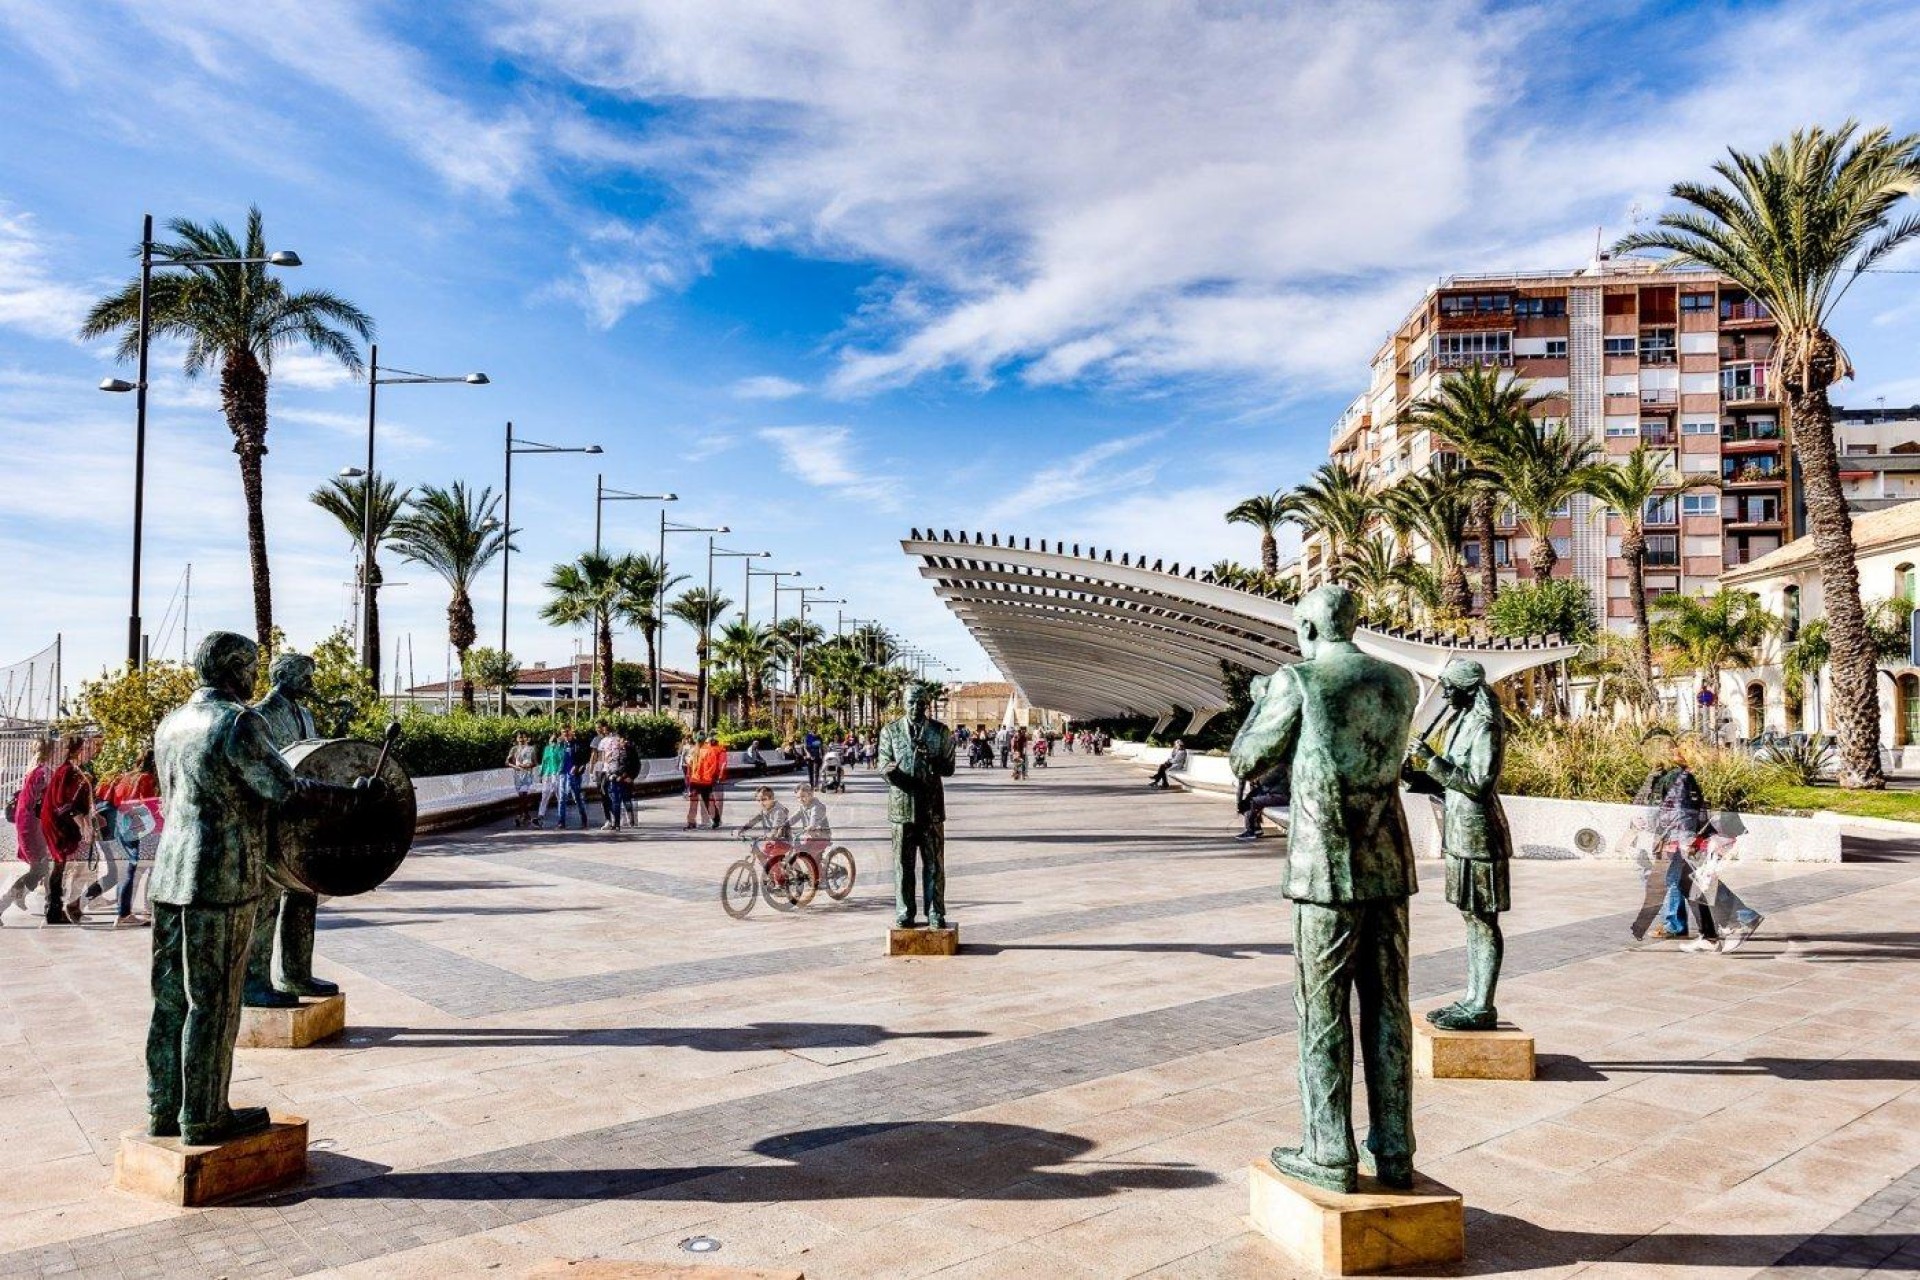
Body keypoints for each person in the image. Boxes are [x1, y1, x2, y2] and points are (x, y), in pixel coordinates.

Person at [145, 631, 374, 1145]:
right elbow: (285, 789)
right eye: (249, 664)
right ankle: (203, 1117)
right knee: (215, 1001)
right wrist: (348, 797)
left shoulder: (172, 723)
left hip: (167, 875)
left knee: (168, 1000)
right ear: (231, 667)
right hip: (219, 875)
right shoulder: (237, 722)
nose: (255, 674)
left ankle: (164, 1107)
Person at [1228, 584, 1419, 1193]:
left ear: (1308, 627)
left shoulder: (1298, 679)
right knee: (1389, 1007)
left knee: (1323, 1010)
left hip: (1325, 869)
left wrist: (1262, 702)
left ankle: (1329, 1150)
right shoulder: (1401, 683)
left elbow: (1246, 760)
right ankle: (1393, 1149)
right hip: (1387, 863)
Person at [1405, 660, 1512, 1031]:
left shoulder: (1485, 725)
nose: (1444, 692)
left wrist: (1432, 761)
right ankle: (1473, 997)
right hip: (1461, 835)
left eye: (1448, 686)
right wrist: (1414, 774)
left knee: (1483, 920)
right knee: (1471, 918)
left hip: (1480, 836)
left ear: (1468, 688)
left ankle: (1482, 1004)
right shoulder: (1459, 722)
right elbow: (1448, 783)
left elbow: (1479, 783)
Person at [880, 684, 957, 929]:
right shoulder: (890, 732)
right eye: (911, 703)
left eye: (921, 703)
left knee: (934, 863)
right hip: (901, 808)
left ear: (927, 705)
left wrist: (932, 759)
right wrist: (889, 772)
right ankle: (905, 912)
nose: (916, 708)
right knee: (903, 864)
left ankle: (935, 912)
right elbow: (883, 764)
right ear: (904, 703)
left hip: (931, 808)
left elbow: (949, 768)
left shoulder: (940, 732)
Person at [41, 731, 98, 924]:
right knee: (59, 864)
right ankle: (54, 910)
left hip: (59, 821)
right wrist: (84, 826)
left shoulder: (72, 769)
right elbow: (66, 803)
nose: (92, 751)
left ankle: (55, 909)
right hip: (58, 824)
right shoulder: (68, 771)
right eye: (88, 748)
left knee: (60, 865)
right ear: (79, 750)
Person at [2, 737, 59, 924]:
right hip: (34, 826)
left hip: (30, 824)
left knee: (45, 868)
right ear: (51, 752)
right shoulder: (43, 773)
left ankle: (52, 908)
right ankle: (4, 903)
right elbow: (44, 805)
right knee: (40, 869)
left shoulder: (34, 771)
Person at [102, 750, 160, 928]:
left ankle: (124, 910)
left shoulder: (126, 777)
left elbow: (116, 800)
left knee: (128, 867)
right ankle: (125, 914)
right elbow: (149, 803)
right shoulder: (146, 779)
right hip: (139, 827)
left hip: (122, 824)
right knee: (140, 867)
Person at [686, 733, 728, 829]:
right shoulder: (710, 751)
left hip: (695, 780)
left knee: (693, 801)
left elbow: (688, 763)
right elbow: (713, 766)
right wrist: (709, 776)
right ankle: (715, 820)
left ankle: (691, 822)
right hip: (705, 781)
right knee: (708, 802)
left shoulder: (693, 750)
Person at [594, 721, 628, 831]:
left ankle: (617, 821)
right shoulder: (603, 741)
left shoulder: (617, 740)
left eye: (605, 729)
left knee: (615, 797)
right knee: (604, 793)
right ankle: (610, 819)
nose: (603, 731)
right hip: (605, 770)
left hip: (614, 771)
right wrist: (598, 770)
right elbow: (601, 756)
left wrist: (620, 772)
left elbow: (621, 755)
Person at [1237, 773, 1287, 840]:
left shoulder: (1280, 767)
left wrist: (1257, 777)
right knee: (1247, 802)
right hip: (1275, 793)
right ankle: (1256, 828)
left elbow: (1266, 780)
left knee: (1252, 802)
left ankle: (1251, 831)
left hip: (1281, 795)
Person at [506, 732, 538, 829]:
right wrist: (515, 767)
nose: (522, 739)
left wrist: (528, 766)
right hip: (517, 775)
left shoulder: (531, 749)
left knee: (523, 795)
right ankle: (526, 815)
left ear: (527, 738)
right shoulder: (514, 749)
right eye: (520, 737)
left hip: (527, 774)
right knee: (521, 796)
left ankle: (519, 815)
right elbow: (507, 762)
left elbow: (535, 763)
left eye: (524, 737)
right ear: (517, 739)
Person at [791, 783, 832, 856]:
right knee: (799, 850)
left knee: (811, 856)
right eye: (798, 797)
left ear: (810, 795)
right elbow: (794, 817)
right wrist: (784, 825)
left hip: (822, 836)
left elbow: (814, 817)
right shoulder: (803, 807)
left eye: (803, 796)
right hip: (810, 835)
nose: (800, 800)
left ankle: (818, 866)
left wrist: (811, 826)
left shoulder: (817, 806)